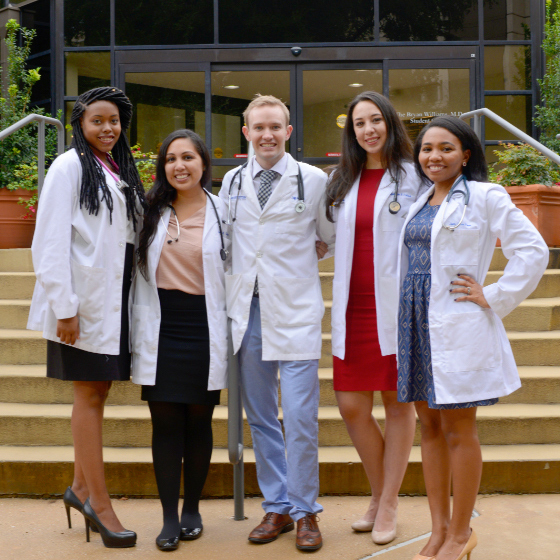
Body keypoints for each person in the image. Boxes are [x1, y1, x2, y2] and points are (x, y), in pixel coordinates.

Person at [397, 116, 548, 560]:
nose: (433, 156)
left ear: (466, 154)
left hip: (456, 322)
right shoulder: (419, 199)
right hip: (414, 320)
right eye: (426, 149)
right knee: (428, 427)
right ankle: (438, 529)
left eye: (446, 148)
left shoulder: (485, 195)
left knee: (459, 429)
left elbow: (533, 249)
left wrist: (494, 295)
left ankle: (462, 534)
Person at [27, 87, 146, 548]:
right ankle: (99, 502)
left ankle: (79, 489)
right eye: (97, 120)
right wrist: (65, 308)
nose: (107, 128)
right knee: (89, 397)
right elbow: (50, 240)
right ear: (80, 123)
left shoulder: (117, 169)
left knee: (100, 390)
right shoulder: (69, 166)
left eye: (114, 120)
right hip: (81, 305)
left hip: (113, 300)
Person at [219, 94, 335, 552]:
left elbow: (328, 238)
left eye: (275, 127)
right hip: (247, 312)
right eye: (258, 127)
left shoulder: (313, 180)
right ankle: (278, 507)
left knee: (302, 417)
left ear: (288, 132)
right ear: (245, 133)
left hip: (296, 311)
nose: (267, 135)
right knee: (262, 416)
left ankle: (307, 511)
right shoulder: (229, 181)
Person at [325, 91, 424, 544]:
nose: (368, 129)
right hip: (353, 305)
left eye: (375, 120)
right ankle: (383, 492)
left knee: (396, 404)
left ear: (390, 123)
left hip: (397, 306)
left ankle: (384, 502)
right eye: (359, 123)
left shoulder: (414, 175)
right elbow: (322, 237)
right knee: (351, 406)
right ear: (352, 132)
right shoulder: (341, 179)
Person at [132, 129, 229, 552]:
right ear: (163, 167)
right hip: (160, 325)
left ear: (203, 163)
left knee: (199, 422)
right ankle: (170, 516)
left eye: (188, 157)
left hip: (205, 325)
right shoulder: (149, 209)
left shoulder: (224, 212)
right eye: (171, 158)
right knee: (165, 424)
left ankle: (193, 508)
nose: (179, 166)